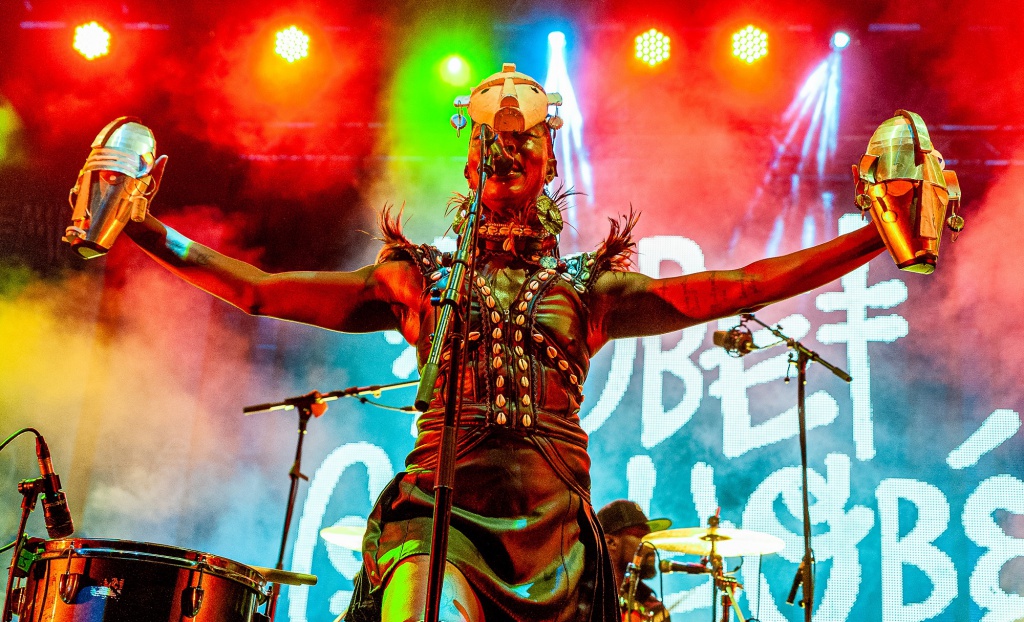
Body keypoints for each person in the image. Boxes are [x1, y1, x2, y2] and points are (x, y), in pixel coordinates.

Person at [93, 62, 911, 621]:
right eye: (493, 141)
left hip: (554, 535)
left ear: (550, 161)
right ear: (471, 163)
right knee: (421, 604)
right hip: (438, 521)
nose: (509, 147)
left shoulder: (589, 291)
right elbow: (260, 291)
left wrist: (873, 235)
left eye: (526, 141)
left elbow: (738, 287)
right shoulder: (419, 281)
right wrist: (143, 227)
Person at [597, 500, 672, 622]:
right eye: (642, 536)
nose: (651, 546)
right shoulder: (582, 599)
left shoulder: (654, 608)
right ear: (610, 542)